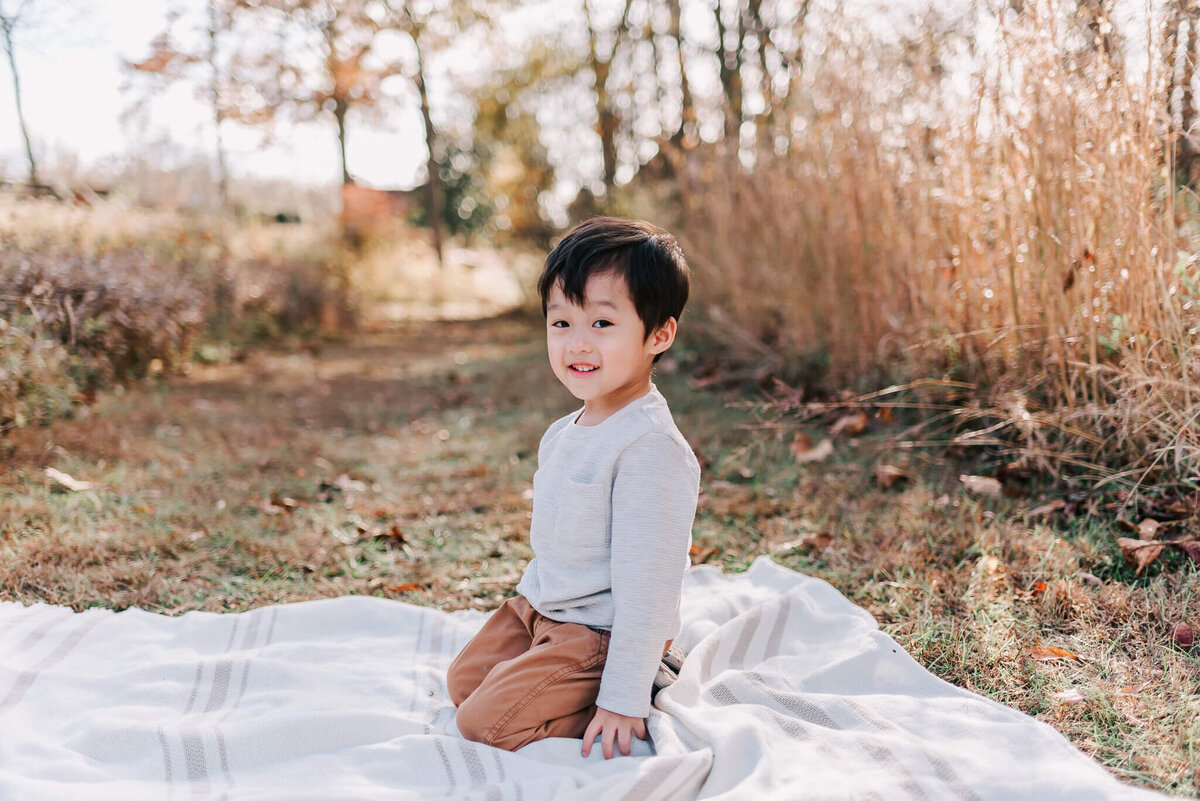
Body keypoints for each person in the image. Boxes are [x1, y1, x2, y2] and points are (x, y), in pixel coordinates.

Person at [446, 216, 701, 760]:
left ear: (658, 335)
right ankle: (560, 675)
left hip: (598, 633)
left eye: (602, 324)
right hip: (542, 611)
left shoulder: (648, 449)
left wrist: (623, 699)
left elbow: (649, 588)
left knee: (484, 726)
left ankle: (643, 676)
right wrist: (529, 614)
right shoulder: (565, 432)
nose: (577, 344)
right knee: (463, 685)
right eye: (561, 323)